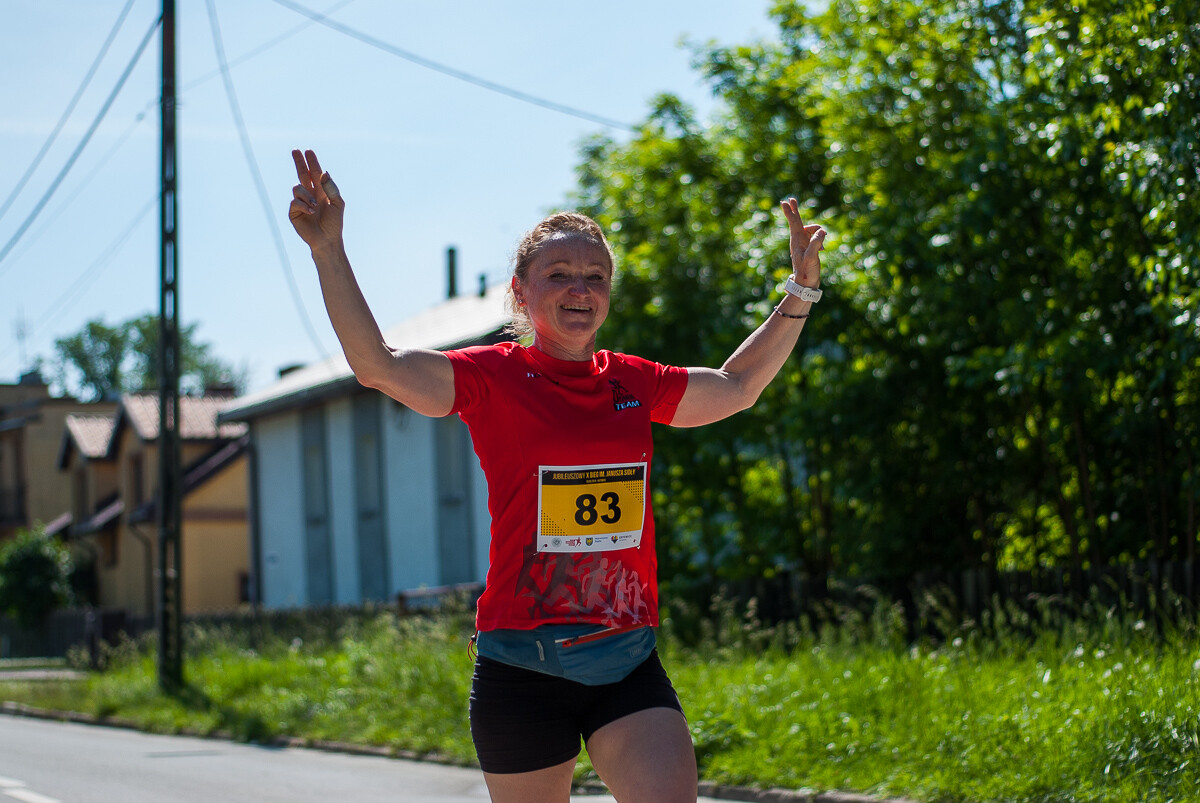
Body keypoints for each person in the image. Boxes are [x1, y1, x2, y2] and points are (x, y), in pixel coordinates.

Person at [288, 148, 825, 803]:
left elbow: (737, 385)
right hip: (522, 666)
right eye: (560, 274)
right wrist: (328, 249)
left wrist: (799, 291)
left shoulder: (633, 380)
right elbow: (378, 365)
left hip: (626, 658)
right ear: (521, 290)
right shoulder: (492, 377)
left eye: (596, 276)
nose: (580, 288)